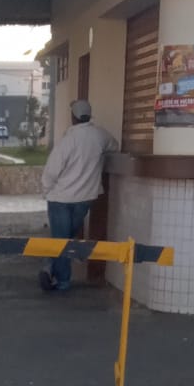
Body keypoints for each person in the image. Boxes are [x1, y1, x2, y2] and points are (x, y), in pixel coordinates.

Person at [38, 99, 118, 293]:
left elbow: (51, 171)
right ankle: (50, 269)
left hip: (61, 199)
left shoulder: (68, 140)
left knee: (61, 241)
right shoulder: (100, 135)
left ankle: (61, 279)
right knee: (68, 239)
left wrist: (46, 190)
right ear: (89, 116)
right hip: (85, 198)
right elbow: (114, 146)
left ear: (73, 117)